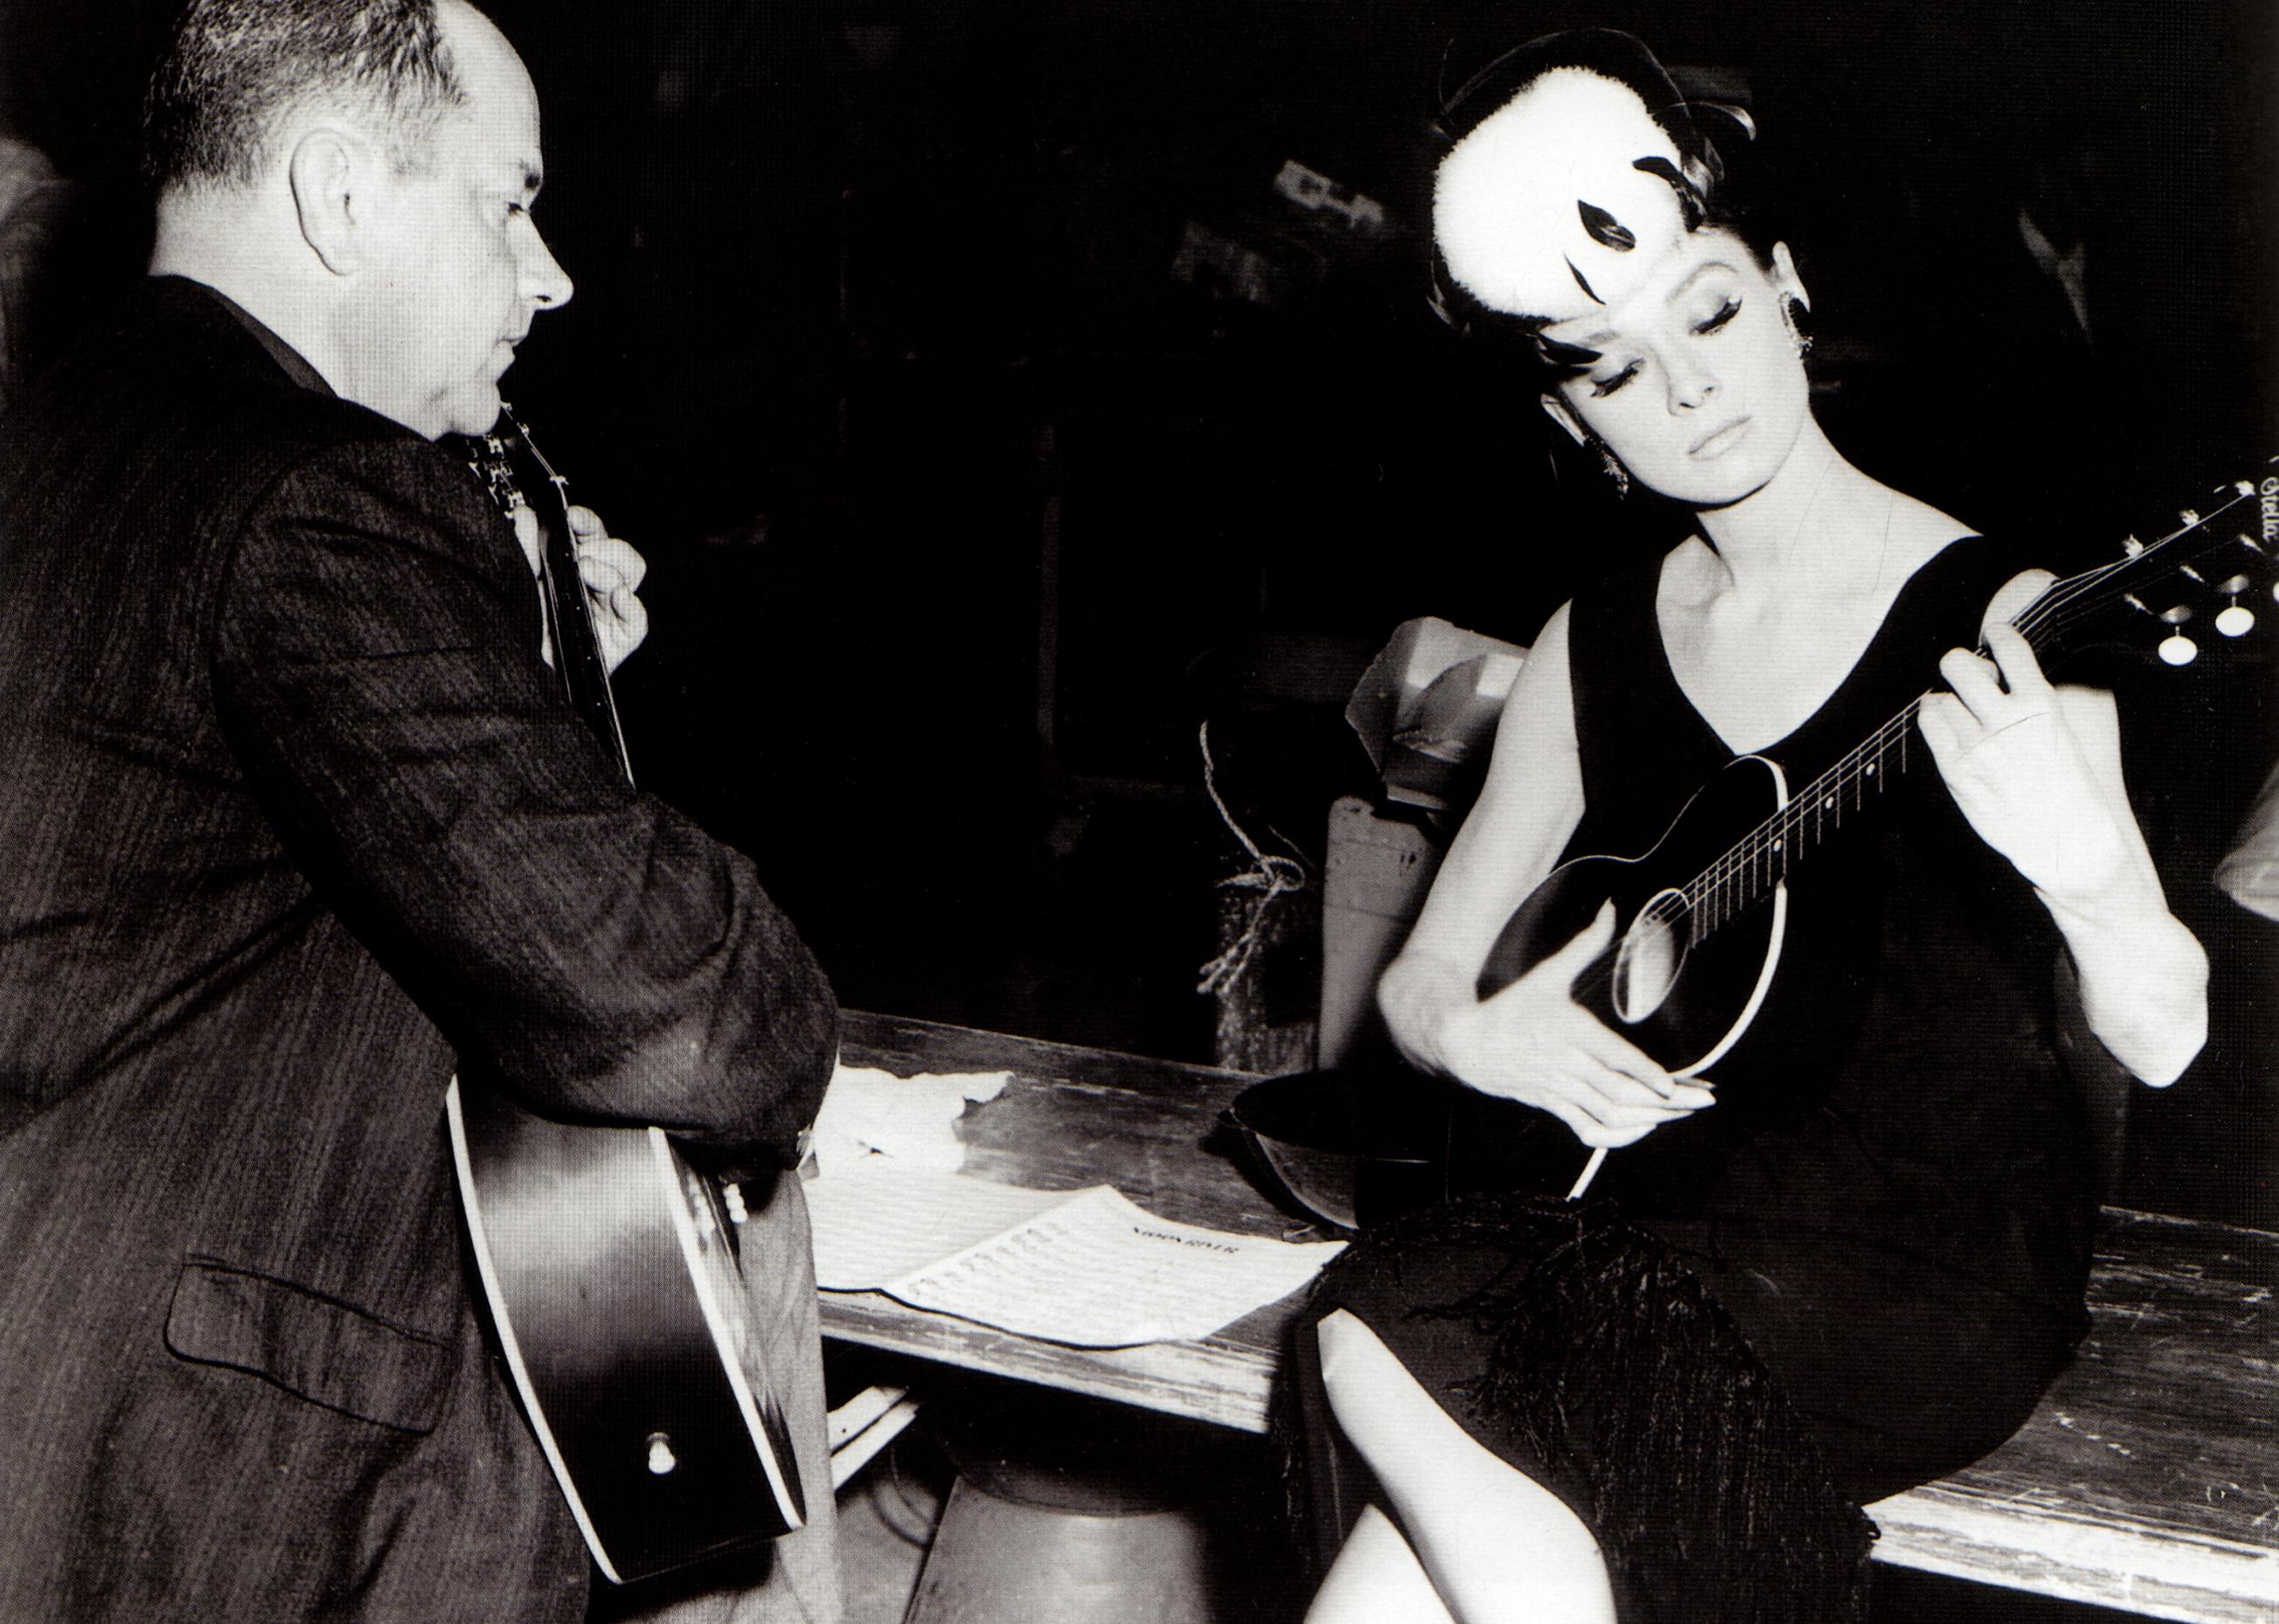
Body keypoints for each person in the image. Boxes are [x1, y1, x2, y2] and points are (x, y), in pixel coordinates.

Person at [1288, 31, 2208, 1624]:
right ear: (1573, 420)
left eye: (1707, 310)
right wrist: (1485, 1036)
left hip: (1909, 1274)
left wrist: (2092, 868)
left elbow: (2173, 1029)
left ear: (1783, 287)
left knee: (1378, 1315)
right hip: (1634, 1244)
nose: (1691, 387)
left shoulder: (2002, 617)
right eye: (1612, 364)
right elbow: (1418, 991)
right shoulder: (1593, 641)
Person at [0, 2, 844, 1619]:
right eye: (509, 201)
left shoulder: (65, 431)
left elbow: (208, 883)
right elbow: (688, 1006)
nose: (552, 275)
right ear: (337, 197)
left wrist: (509, 664)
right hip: (245, 1485)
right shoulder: (323, 493)